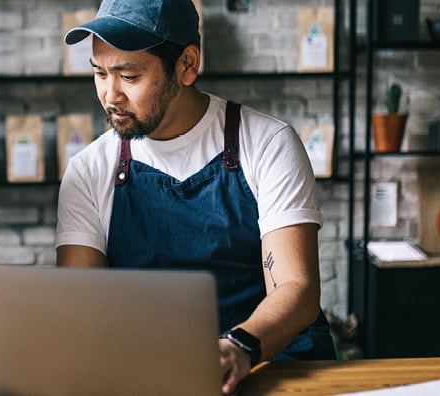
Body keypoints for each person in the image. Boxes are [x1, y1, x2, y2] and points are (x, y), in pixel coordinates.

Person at [57, 0, 336, 393]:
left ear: (187, 65)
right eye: (100, 73)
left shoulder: (268, 144)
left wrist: (239, 348)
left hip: (267, 362)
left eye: (129, 76)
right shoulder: (89, 171)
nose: (110, 95)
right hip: (150, 372)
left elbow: (297, 288)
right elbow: (81, 305)